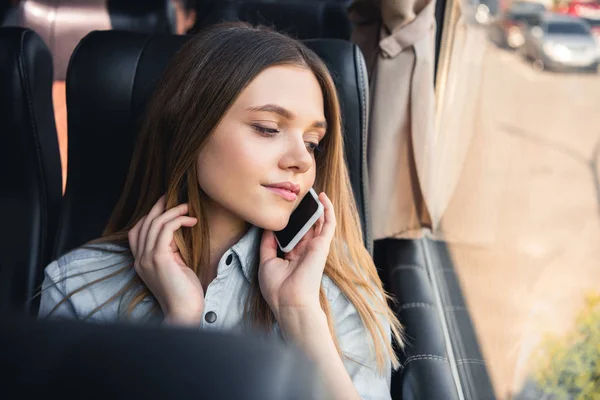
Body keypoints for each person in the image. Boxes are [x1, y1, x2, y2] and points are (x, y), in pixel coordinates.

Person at [38, 22, 403, 400]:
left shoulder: (341, 295)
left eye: (313, 143)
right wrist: (180, 324)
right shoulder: (81, 287)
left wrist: (300, 314)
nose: (300, 161)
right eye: (267, 128)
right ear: (190, 128)